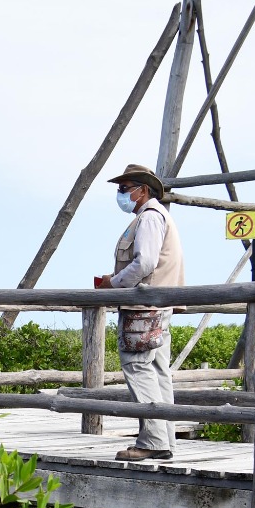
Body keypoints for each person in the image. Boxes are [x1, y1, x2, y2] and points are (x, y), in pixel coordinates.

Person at [97, 164, 186, 462]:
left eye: (125, 188)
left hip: (144, 305)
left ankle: (151, 441)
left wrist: (114, 283)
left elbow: (145, 263)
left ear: (142, 190)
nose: (121, 194)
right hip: (159, 304)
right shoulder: (158, 216)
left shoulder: (148, 218)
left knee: (138, 366)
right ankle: (164, 440)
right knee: (158, 371)